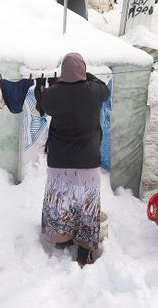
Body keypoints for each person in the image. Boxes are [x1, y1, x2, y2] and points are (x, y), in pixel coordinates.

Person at [40, 53, 110, 268]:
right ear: (82, 69)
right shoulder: (93, 91)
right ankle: (85, 245)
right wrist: (87, 76)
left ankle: (62, 238)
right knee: (86, 203)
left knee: (62, 201)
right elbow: (104, 89)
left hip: (60, 160)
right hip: (87, 160)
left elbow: (44, 104)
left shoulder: (52, 94)